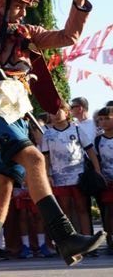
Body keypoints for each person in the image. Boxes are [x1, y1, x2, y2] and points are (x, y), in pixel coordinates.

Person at [0, 0, 106, 276]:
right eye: (18, 6)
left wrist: (78, 4)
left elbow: (67, 36)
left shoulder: (28, 35)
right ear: (0, 3)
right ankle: (65, 237)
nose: (22, 13)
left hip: (18, 115)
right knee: (35, 159)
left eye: (24, 7)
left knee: (3, 189)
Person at [42, 103, 101, 242]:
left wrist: (97, 170)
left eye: (58, 111)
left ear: (66, 112)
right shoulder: (48, 134)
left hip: (79, 177)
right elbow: (46, 157)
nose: (55, 115)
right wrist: (47, 175)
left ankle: (88, 240)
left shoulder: (77, 129)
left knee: (82, 209)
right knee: (65, 210)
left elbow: (90, 151)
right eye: (52, 112)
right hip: (59, 178)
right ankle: (71, 242)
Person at [94, 106, 113, 254]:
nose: (104, 122)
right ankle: (109, 239)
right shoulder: (98, 139)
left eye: (107, 118)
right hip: (107, 182)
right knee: (108, 210)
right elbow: (97, 159)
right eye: (100, 119)